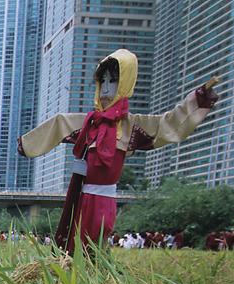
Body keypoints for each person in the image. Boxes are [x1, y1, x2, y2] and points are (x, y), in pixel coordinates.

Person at [18, 49, 218, 254]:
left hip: (104, 199)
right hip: (81, 195)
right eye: (102, 81)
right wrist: (27, 144)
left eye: (112, 81)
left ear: (124, 83)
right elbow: (59, 123)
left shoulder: (132, 126)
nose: (105, 87)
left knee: (95, 246)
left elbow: (168, 125)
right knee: (73, 244)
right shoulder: (89, 122)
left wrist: (196, 101)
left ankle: (95, 280)